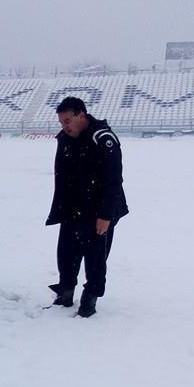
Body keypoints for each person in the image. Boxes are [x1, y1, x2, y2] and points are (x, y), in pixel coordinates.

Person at [46, 97, 129, 317]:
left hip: (100, 208)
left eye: (68, 120)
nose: (64, 126)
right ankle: (65, 292)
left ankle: (89, 301)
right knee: (66, 251)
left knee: (95, 257)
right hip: (74, 206)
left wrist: (105, 215)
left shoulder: (102, 138)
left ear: (81, 115)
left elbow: (113, 180)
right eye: (61, 122)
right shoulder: (66, 138)